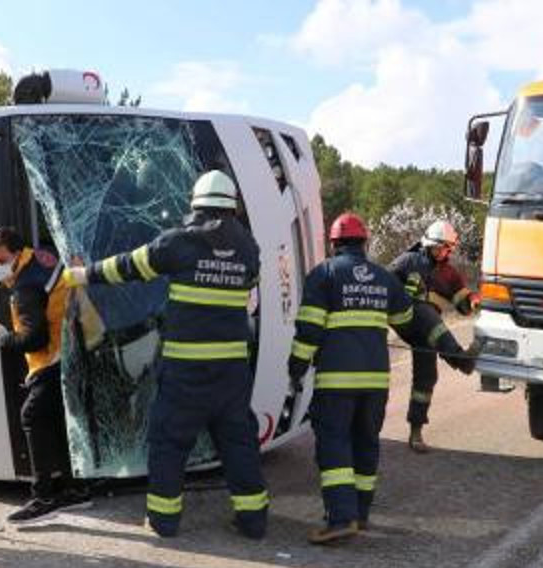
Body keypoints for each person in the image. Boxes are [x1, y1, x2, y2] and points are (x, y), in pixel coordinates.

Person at [64, 170, 268, 539]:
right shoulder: (249, 246)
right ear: (231, 205)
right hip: (231, 371)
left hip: (186, 369)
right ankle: (253, 521)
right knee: (238, 443)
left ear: (196, 205)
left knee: (169, 442)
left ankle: (163, 521)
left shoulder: (179, 242)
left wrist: (82, 275)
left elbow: (128, 266)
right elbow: (250, 284)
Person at [288, 212, 470, 544]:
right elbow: (403, 316)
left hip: (337, 382)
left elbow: (309, 329)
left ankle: (341, 519)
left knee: (334, 445)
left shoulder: (323, 275)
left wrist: (296, 369)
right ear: (364, 242)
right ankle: (361, 514)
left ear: (334, 243)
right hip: (375, 381)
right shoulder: (383, 277)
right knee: (366, 443)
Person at [0, 226, 92, 525]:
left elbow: (34, 340)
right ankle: (75, 489)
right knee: (55, 420)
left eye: (0, 260)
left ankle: (44, 498)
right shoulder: (42, 259)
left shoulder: (25, 286)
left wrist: (3, 337)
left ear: (16, 253)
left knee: (32, 416)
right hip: (72, 351)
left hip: (53, 357)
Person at [388, 220, 480, 453]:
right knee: (426, 311)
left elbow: (463, 306)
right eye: (443, 247)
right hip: (406, 320)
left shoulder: (449, 274)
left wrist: (474, 301)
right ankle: (461, 359)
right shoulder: (408, 261)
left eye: (450, 248)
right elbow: (383, 285)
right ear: (430, 245)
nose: (447, 252)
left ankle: (415, 433)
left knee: (427, 378)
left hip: (428, 333)